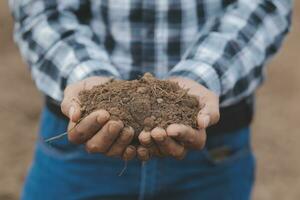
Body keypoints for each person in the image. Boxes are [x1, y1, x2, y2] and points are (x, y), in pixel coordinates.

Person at [10, 0, 292, 199]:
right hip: (81, 141)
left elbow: (265, 5)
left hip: (213, 151)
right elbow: (40, 8)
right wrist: (89, 84)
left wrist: (199, 80)